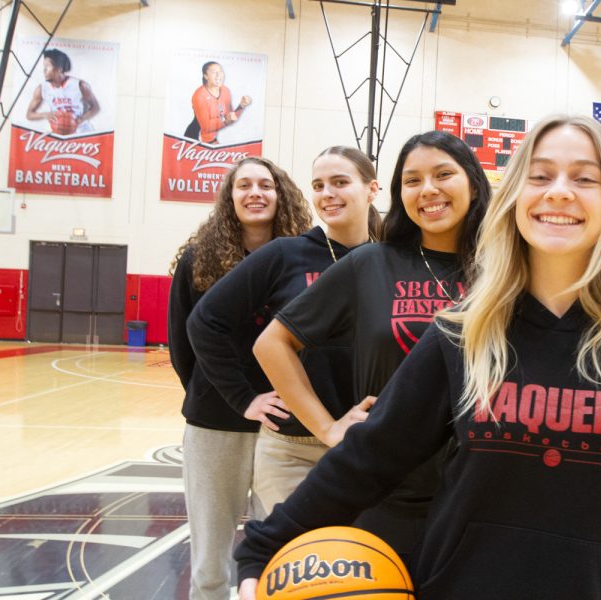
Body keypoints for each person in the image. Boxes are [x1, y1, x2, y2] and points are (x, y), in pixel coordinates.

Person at [235, 115, 601, 600]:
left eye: (585, 178)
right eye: (540, 175)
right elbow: (370, 457)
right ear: (513, 200)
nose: (559, 191)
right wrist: (262, 545)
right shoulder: (463, 332)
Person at [250, 130, 490, 559]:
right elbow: (272, 343)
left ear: (472, 181)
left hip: (481, 494)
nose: (428, 189)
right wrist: (326, 427)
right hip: (385, 495)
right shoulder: (371, 263)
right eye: (412, 180)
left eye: (443, 174)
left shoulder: (506, 271)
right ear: (399, 193)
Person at [186, 146, 383, 518]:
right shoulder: (285, 254)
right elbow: (203, 322)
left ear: (372, 190)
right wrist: (243, 398)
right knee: (297, 566)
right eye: (319, 185)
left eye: (340, 182)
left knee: (361, 567)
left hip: (368, 443)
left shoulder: (391, 258)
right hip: (293, 447)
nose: (327, 194)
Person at [168, 156, 313, 600]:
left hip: (288, 427)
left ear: (280, 194)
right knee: (210, 558)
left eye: (266, 185)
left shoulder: (302, 259)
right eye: (244, 185)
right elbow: (183, 348)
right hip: (216, 426)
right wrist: (234, 397)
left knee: (284, 550)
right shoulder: (198, 261)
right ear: (229, 198)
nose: (255, 193)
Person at [26, 48, 100, 135]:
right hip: (58, 130)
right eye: (44, 67)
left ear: (59, 69)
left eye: (48, 66)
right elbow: (29, 114)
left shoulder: (80, 85)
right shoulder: (42, 88)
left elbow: (95, 108)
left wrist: (81, 119)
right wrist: (45, 115)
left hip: (81, 130)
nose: (44, 70)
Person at [184, 61, 252, 144]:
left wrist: (241, 106)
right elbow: (206, 127)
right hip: (195, 139)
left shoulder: (225, 90)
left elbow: (230, 116)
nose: (218, 75)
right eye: (214, 72)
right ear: (206, 76)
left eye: (220, 71)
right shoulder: (199, 95)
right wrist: (226, 121)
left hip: (211, 137)